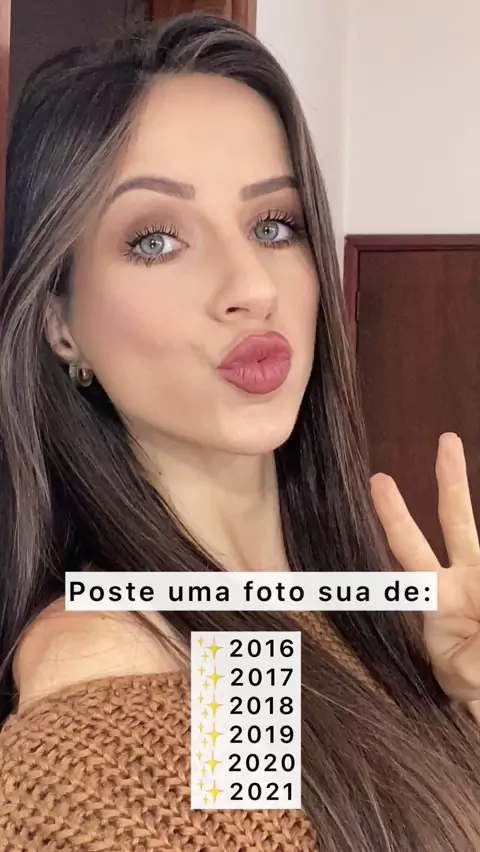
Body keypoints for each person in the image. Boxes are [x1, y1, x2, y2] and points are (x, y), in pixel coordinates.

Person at [0, 12, 479, 852]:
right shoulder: (112, 695)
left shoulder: (293, 612)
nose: (251, 285)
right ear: (60, 324)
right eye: (156, 240)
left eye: (275, 226)